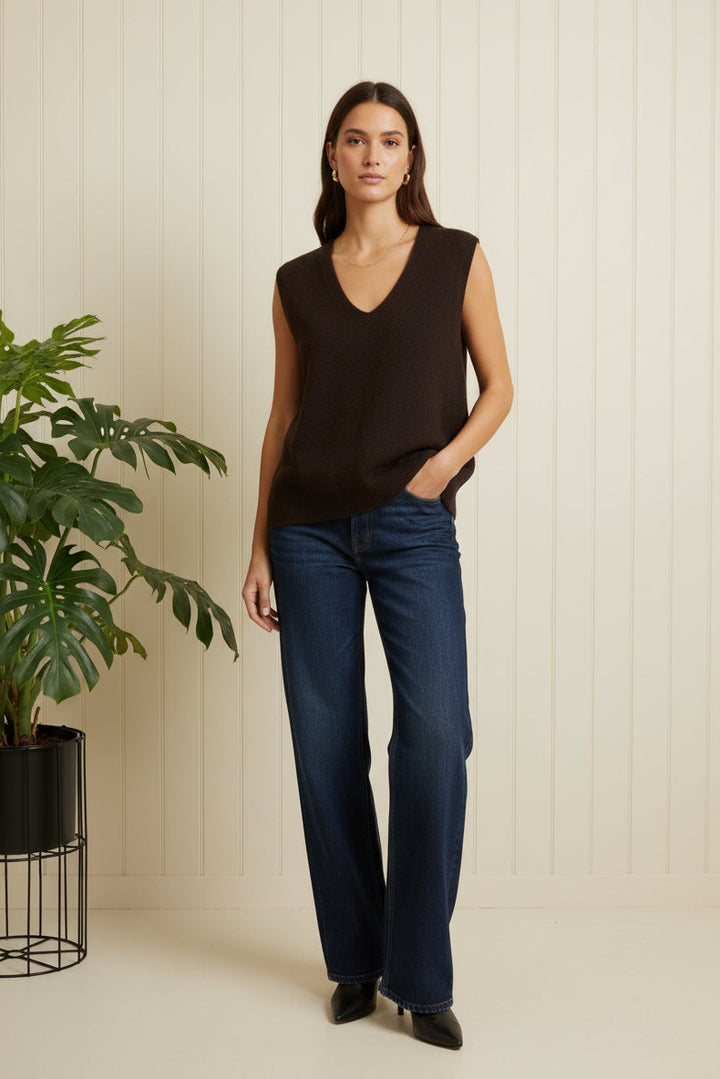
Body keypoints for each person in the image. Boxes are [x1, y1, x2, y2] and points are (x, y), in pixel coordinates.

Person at [243, 80, 513, 1051]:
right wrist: (260, 541)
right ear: (331, 156)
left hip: (411, 526)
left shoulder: (455, 258)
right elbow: (282, 417)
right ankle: (356, 960)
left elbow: (501, 385)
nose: (371, 155)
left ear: (411, 158)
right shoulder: (295, 281)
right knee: (326, 750)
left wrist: (440, 469)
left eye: (389, 141)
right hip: (308, 530)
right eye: (354, 140)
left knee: (437, 737)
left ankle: (420, 972)